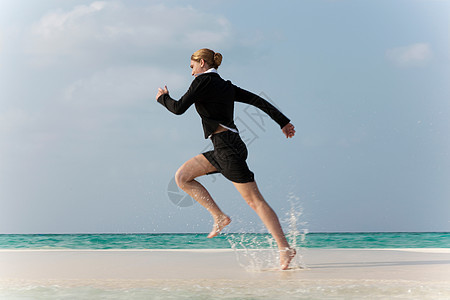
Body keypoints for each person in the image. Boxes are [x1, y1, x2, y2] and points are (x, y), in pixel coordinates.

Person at [155, 48, 296, 270]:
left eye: (192, 67)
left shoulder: (202, 81)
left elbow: (178, 108)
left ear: (201, 63)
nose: (191, 73)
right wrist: (283, 122)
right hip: (224, 147)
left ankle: (285, 248)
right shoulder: (225, 85)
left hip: (228, 150)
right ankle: (219, 217)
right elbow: (258, 101)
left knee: (255, 201)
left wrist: (163, 98)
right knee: (183, 177)